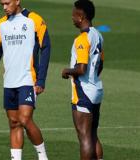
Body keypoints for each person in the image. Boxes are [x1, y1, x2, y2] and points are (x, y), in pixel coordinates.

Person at [0, 0, 51, 159]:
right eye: (2, 4)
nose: (4, 7)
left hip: (28, 79)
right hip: (9, 81)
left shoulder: (34, 19)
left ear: (17, 1)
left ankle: (43, 156)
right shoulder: (1, 24)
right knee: (14, 123)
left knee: (25, 119)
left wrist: (41, 80)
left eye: (7, 3)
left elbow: (45, 48)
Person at [61, 0, 104, 159]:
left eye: (74, 14)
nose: (72, 17)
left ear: (81, 16)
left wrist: (67, 71)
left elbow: (81, 69)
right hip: (96, 88)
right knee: (92, 134)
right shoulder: (98, 35)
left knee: (84, 136)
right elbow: (100, 64)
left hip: (83, 92)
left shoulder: (81, 39)